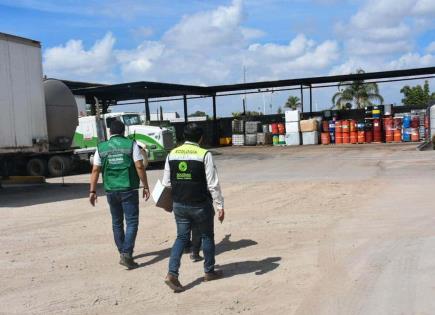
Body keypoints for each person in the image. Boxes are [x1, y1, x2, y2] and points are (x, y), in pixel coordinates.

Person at [162, 123, 225, 292]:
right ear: (200, 138)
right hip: (200, 204)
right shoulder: (204, 154)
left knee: (181, 238)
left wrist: (168, 203)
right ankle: (209, 271)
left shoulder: (172, 154)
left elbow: (167, 183)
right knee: (207, 236)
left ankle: (172, 273)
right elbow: (213, 184)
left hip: (179, 204)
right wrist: (220, 206)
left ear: (183, 136)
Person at [89, 120, 150, 270]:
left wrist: (92, 191)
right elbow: (139, 166)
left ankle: (123, 251)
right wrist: (146, 185)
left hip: (110, 190)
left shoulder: (101, 147)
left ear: (110, 132)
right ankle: (126, 253)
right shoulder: (131, 144)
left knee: (117, 222)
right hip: (128, 189)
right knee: (132, 222)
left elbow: (95, 170)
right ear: (124, 131)